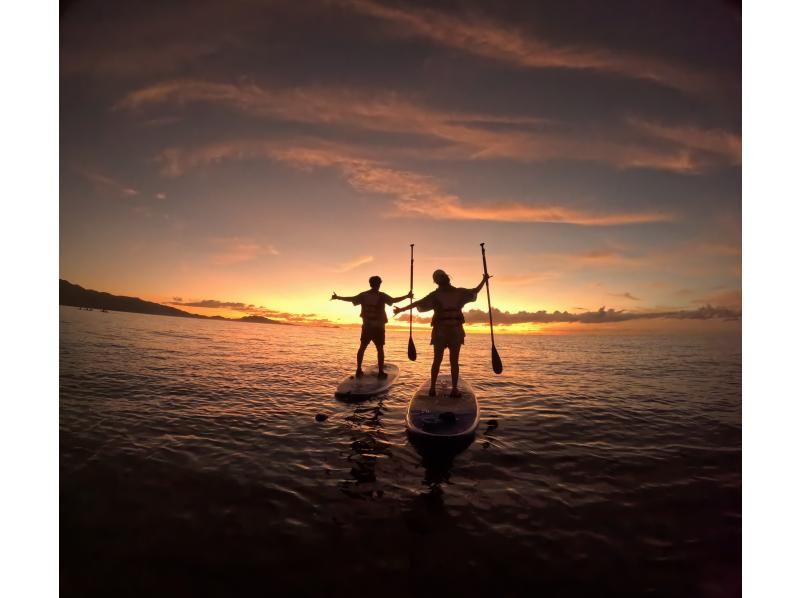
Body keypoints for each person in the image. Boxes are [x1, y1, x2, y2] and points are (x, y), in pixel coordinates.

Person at [394, 269, 489, 397]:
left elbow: (418, 303)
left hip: (441, 332)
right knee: (453, 361)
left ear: (436, 282)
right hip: (454, 331)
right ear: (447, 278)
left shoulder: (436, 295)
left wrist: (401, 310)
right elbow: (475, 291)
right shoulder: (459, 292)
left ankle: (433, 389)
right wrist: (484, 280)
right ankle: (454, 390)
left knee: (437, 360)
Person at [332, 276, 412, 379]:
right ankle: (380, 373)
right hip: (378, 327)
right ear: (379, 284)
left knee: (362, 347)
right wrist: (407, 296)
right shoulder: (381, 296)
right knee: (380, 349)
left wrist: (338, 297)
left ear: (370, 284)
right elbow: (394, 300)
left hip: (367, 327)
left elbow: (351, 299)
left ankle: (358, 369)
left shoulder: (363, 295)